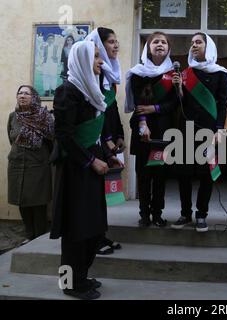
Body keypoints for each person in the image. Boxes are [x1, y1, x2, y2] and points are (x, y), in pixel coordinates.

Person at [50, 41, 123, 300]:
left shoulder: (91, 91)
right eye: (95, 57)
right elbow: (65, 136)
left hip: (91, 169)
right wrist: (91, 161)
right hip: (75, 170)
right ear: (81, 59)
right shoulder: (67, 92)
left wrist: (109, 157)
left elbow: (94, 135)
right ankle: (70, 283)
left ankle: (81, 275)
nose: (101, 61)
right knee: (75, 230)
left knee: (92, 227)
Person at [171, 32, 227, 233]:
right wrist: (179, 88)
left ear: (208, 46)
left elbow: (222, 104)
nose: (194, 45)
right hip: (186, 129)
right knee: (184, 173)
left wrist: (219, 128)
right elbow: (182, 101)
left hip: (210, 131)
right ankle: (185, 213)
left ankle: (201, 214)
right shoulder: (187, 73)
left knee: (206, 174)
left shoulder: (221, 73)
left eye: (198, 42)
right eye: (192, 43)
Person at [125, 31, 177, 227]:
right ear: (148, 47)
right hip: (143, 130)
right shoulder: (138, 72)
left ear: (168, 48)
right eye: (155, 41)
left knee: (160, 175)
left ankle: (157, 214)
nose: (160, 45)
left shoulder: (173, 74)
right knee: (144, 174)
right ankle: (144, 214)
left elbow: (173, 104)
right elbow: (139, 103)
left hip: (163, 131)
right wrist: (143, 124)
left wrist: (155, 108)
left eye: (164, 42)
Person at [87, 27, 124, 255]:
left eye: (116, 41)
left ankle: (100, 235)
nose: (116, 45)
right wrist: (107, 141)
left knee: (101, 197)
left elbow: (112, 109)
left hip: (106, 143)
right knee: (91, 196)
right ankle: (93, 239)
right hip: (94, 144)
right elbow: (95, 115)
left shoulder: (108, 74)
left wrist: (118, 134)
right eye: (111, 41)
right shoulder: (91, 76)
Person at [7, 85, 54, 241]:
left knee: (38, 202)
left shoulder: (44, 116)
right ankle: (28, 235)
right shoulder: (13, 116)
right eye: (19, 93)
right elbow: (11, 138)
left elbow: (51, 141)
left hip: (38, 165)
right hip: (17, 164)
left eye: (26, 93)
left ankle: (39, 237)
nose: (22, 96)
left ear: (34, 97)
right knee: (21, 200)